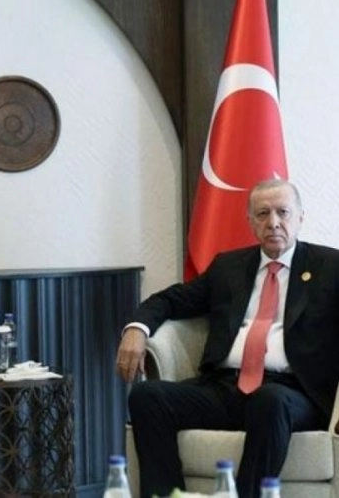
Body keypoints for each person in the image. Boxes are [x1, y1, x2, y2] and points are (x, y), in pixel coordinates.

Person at [116, 179, 339, 498]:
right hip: (225, 387)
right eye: (262, 213)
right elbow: (171, 300)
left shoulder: (330, 267)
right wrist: (137, 328)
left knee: (270, 401)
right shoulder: (228, 267)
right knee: (146, 396)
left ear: (301, 217)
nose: (273, 222)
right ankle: (167, 495)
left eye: (283, 212)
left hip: (293, 393)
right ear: (250, 221)